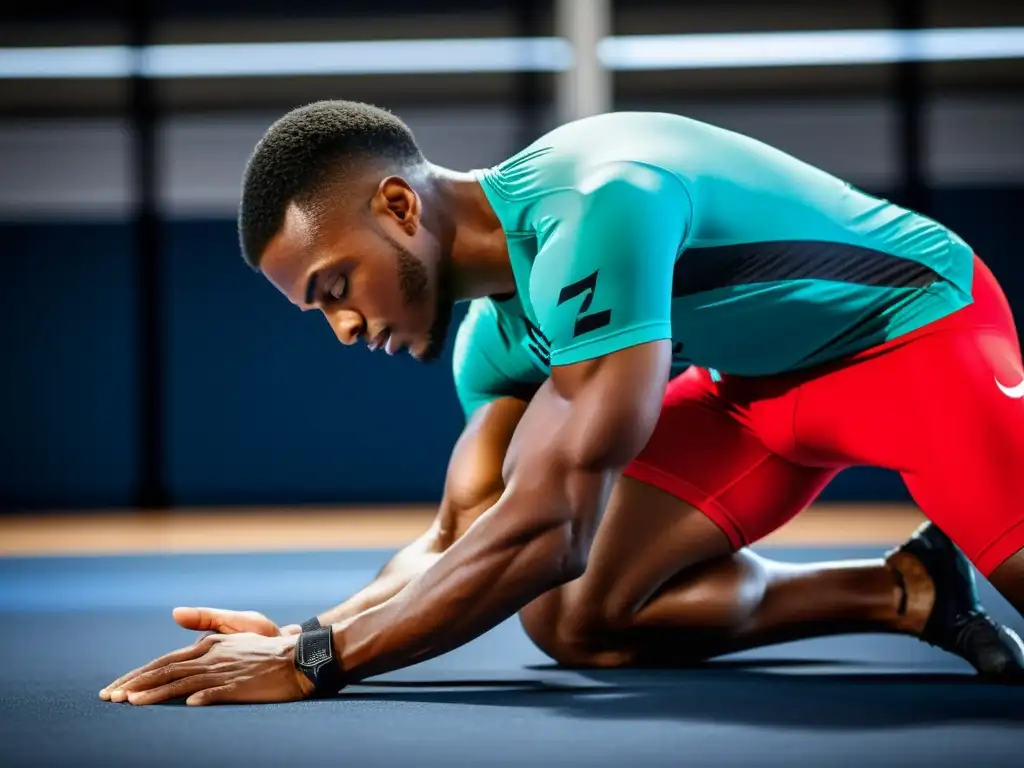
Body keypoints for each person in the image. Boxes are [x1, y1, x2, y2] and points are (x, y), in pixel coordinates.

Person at [100, 102, 1024, 706]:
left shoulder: (598, 201)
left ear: (398, 206)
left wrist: (314, 663)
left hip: (916, 336)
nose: (343, 327)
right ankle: (903, 589)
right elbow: (464, 532)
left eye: (337, 285)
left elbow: (552, 531)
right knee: (578, 618)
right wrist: (310, 632)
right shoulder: (491, 339)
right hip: (757, 397)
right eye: (320, 309)